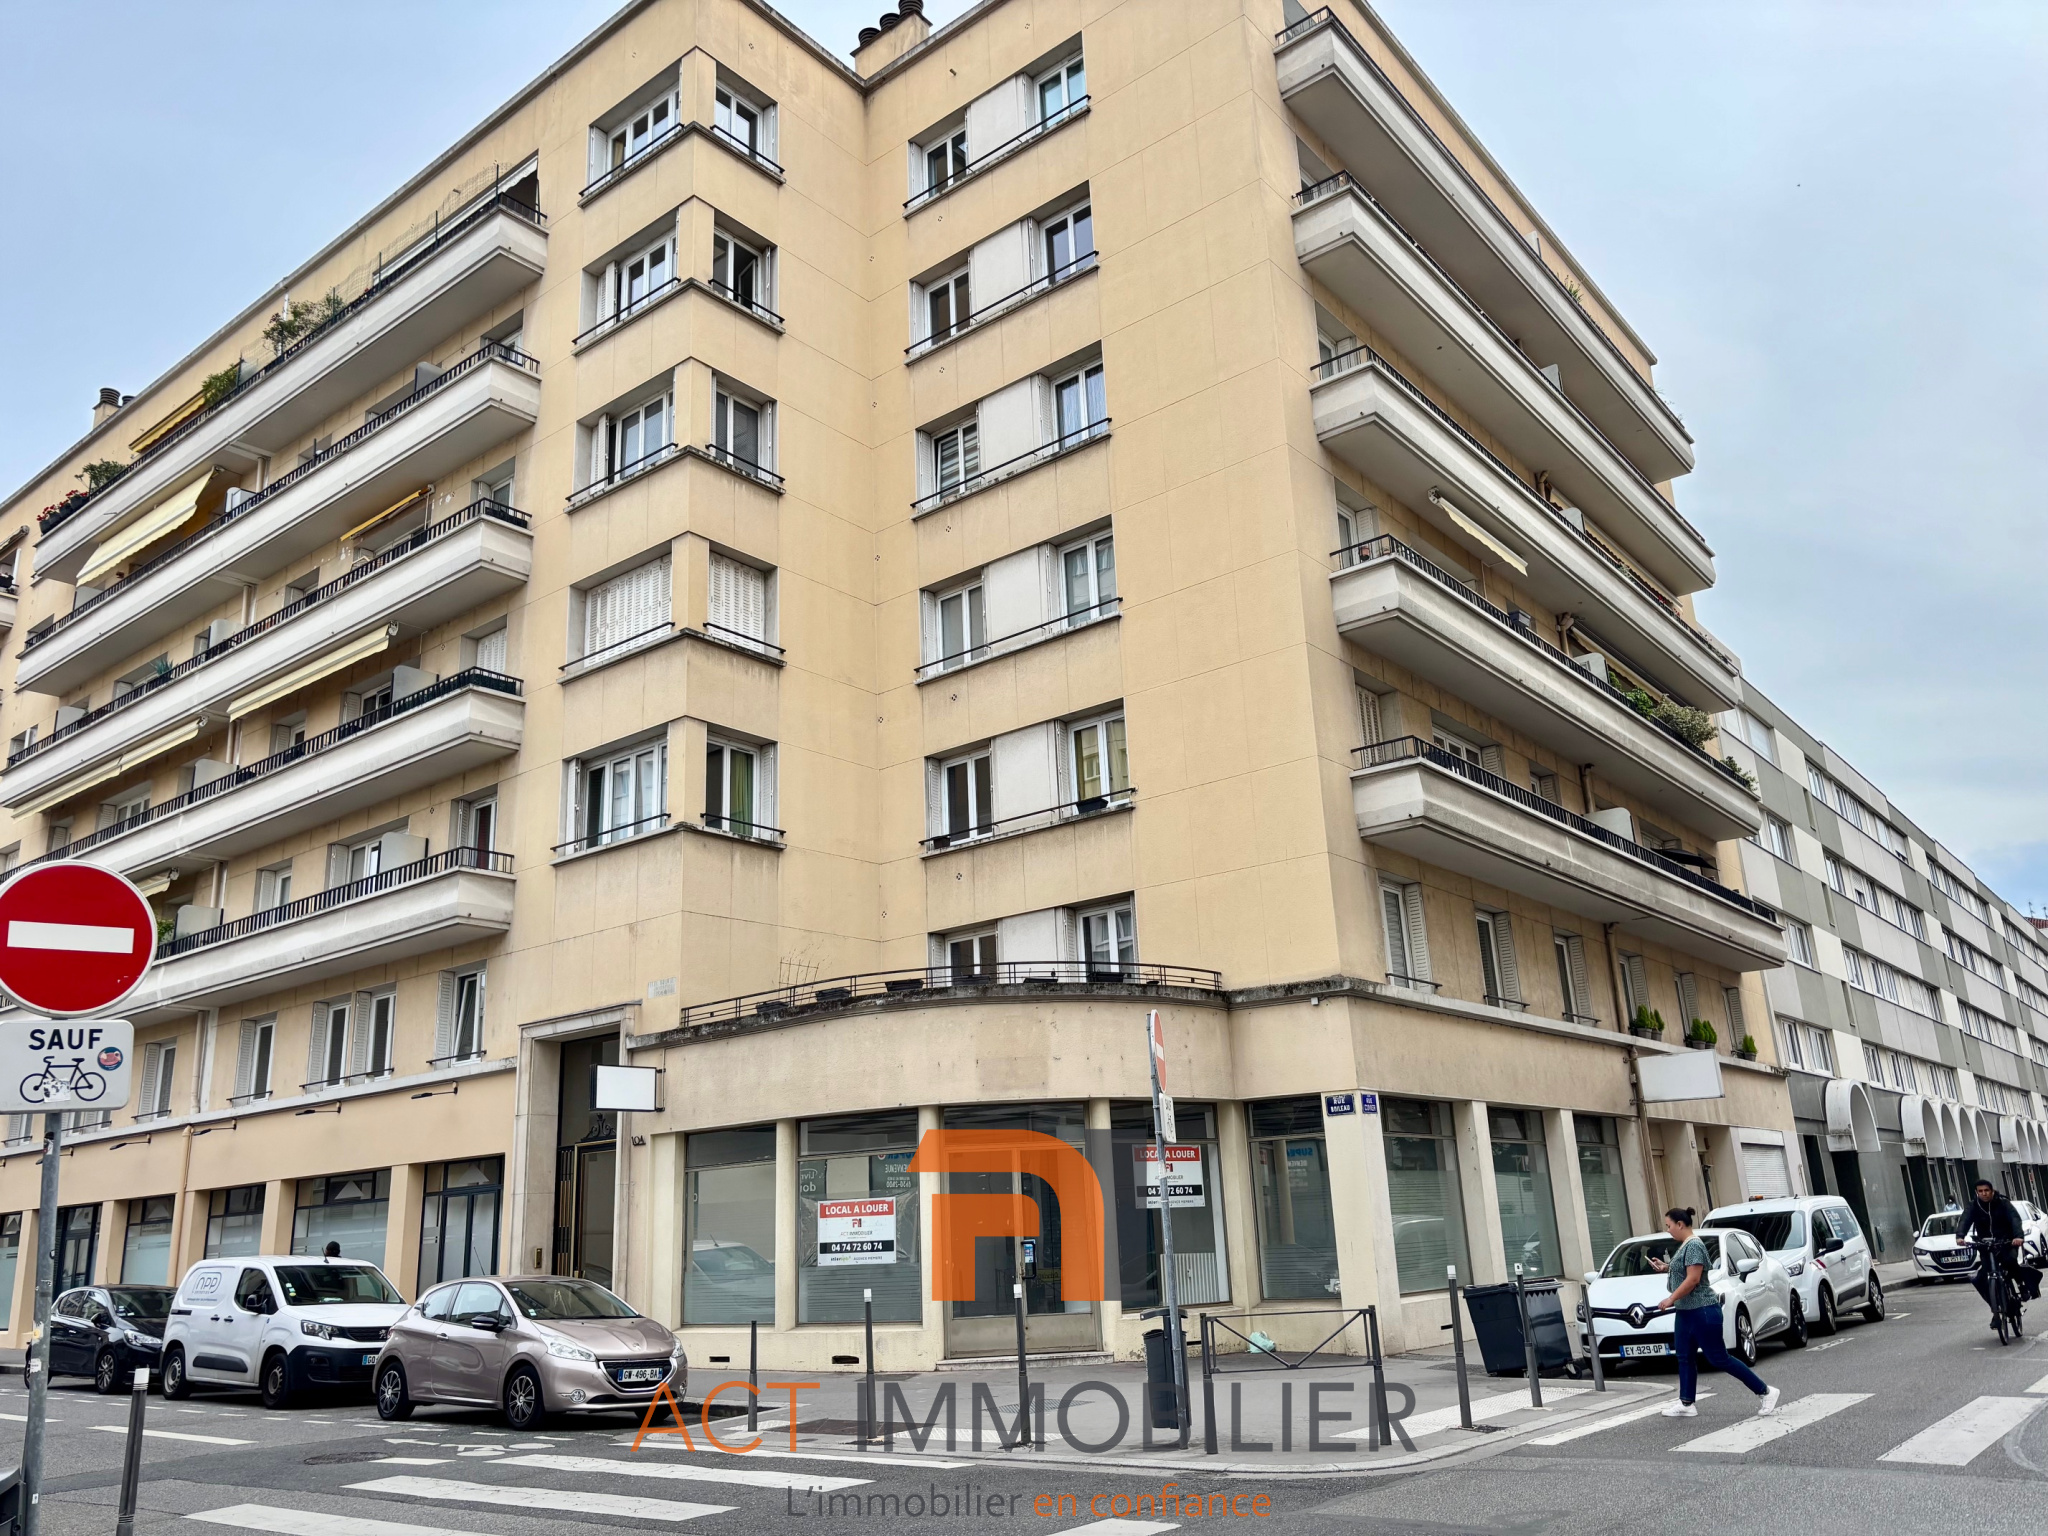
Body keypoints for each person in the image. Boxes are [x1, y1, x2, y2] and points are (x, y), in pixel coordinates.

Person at [1648, 1206, 1779, 1418]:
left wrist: (1671, 1299)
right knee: (1684, 1356)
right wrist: (1666, 1267)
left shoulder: (1694, 1245)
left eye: (1669, 1225)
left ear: (1680, 1224)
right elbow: (1685, 1271)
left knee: (1719, 1358)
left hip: (1702, 1310)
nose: (1668, 1230)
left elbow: (1693, 1279)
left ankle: (1765, 1391)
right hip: (1686, 1312)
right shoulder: (1685, 1246)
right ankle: (1686, 1403)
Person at [1953, 1179, 2029, 1321]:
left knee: (2010, 1261)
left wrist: (2018, 1236)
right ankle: (1995, 1310)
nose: (1984, 1194)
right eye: (1980, 1191)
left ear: (1992, 1191)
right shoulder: (1974, 1206)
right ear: (1976, 1193)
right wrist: (1960, 1236)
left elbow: (2014, 1219)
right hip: (1985, 1245)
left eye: (1986, 1190)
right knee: (1981, 1278)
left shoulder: (2003, 1203)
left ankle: (2021, 1285)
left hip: (2006, 1242)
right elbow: (1965, 1220)